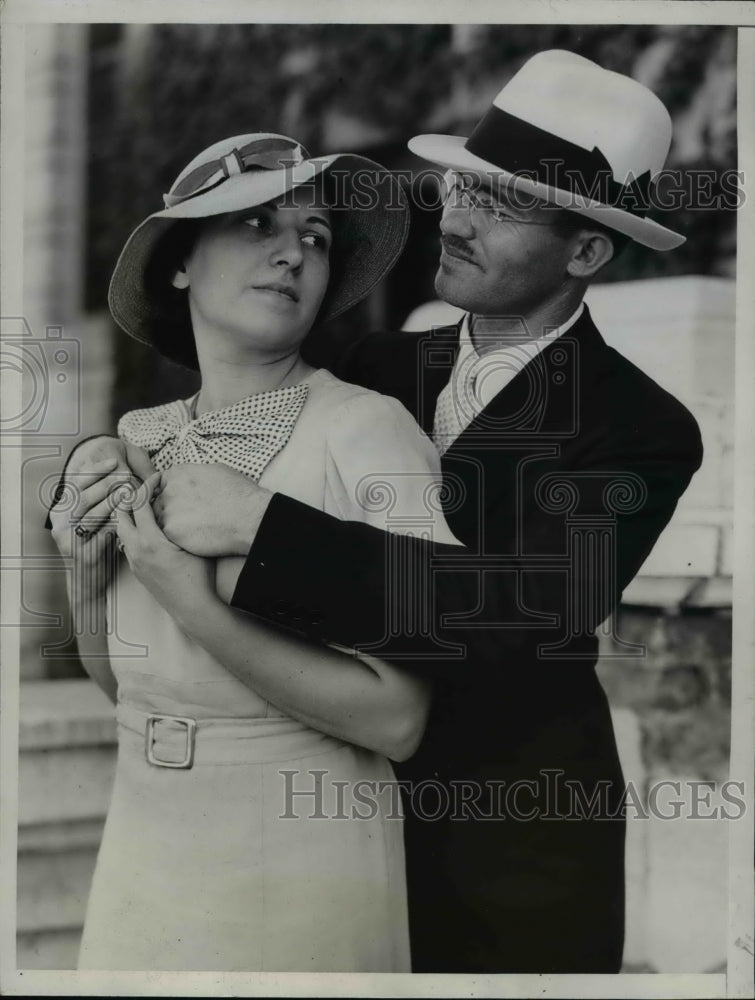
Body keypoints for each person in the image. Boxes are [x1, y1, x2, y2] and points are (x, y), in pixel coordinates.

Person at [55, 51, 704, 973]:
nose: (458, 217)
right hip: (321, 812)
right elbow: (237, 405)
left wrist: (263, 528)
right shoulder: (378, 368)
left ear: (587, 250)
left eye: (504, 203)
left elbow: (516, 616)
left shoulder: (639, 426)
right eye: (459, 187)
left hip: (502, 849)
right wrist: (97, 462)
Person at [49, 132, 462, 972]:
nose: (292, 253)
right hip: (144, 843)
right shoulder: (140, 438)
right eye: (256, 224)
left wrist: (188, 599)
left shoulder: (366, 430)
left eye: (314, 236)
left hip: (299, 850)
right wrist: (82, 573)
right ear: (178, 263)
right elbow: (125, 682)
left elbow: (400, 719)